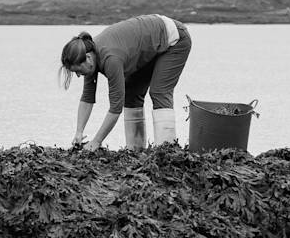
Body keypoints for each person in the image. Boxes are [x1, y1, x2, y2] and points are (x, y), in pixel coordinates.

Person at [57, 14, 192, 149]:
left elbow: (115, 109)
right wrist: (79, 132)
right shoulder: (88, 54)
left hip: (175, 39)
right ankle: (135, 150)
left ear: (88, 58)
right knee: (131, 94)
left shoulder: (111, 59)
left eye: (78, 71)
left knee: (159, 92)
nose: (79, 75)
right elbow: (87, 98)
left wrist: (96, 141)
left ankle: (166, 150)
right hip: (150, 43)